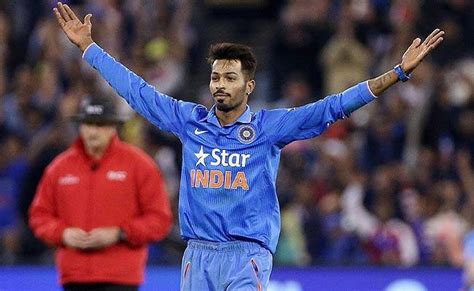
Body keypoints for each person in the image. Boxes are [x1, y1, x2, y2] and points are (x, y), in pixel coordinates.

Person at [52, 2, 444, 290]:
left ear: (249, 86)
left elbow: (333, 107)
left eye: (229, 78)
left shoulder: (268, 128)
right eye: (215, 77)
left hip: (246, 257)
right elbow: (137, 92)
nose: (220, 84)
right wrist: (89, 48)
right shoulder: (190, 122)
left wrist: (396, 74)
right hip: (198, 255)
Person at [29, 95, 173, 291]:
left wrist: (120, 233)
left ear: (113, 127)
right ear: (80, 126)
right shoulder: (59, 168)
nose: (93, 131)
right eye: (88, 124)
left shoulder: (139, 166)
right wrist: (62, 233)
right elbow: (39, 215)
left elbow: (160, 220)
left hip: (121, 278)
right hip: (74, 276)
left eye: (100, 124)